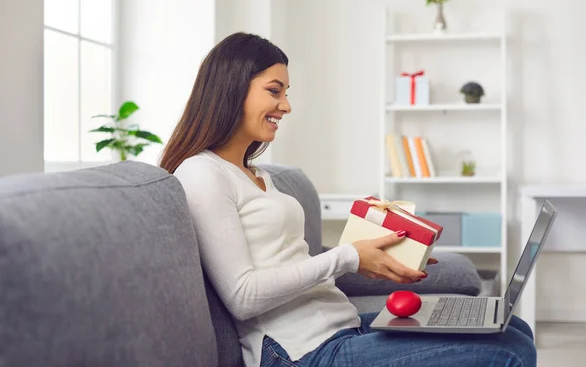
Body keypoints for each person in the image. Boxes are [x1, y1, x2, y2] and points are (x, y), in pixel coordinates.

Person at [159, 32, 536, 367]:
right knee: (508, 353)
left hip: (339, 327)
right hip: (299, 351)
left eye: (286, 93)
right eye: (275, 91)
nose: (286, 106)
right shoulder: (201, 172)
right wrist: (349, 256)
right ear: (231, 88)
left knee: (512, 326)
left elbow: (289, 260)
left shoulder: (258, 173)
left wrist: (376, 254)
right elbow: (243, 296)